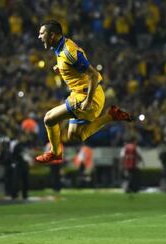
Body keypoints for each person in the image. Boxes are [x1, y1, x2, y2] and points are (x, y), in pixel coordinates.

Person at [34, 20, 132, 164]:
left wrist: (87, 101)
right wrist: (60, 68)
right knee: (75, 136)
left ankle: (55, 153)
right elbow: (75, 66)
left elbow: (93, 74)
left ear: (53, 35)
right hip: (85, 94)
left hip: (87, 97)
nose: (39, 36)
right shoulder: (60, 47)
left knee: (49, 118)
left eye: (42, 33)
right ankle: (110, 116)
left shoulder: (68, 52)